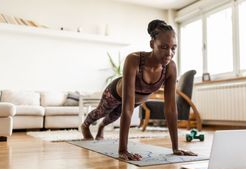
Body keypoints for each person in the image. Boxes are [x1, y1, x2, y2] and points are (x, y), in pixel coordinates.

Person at [80, 19, 197, 161]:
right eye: (164, 47)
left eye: (173, 48)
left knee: (113, 117)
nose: (169, 53)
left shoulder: (170, 67)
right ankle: (85, 125)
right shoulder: (134, 60)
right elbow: (127, 108)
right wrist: (123, 150)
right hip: (115, 93)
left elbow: (171, 108)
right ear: (152, 44)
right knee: (102, 112)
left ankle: (101, 128)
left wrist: (175, 148)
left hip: (137, 100)